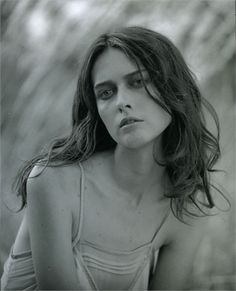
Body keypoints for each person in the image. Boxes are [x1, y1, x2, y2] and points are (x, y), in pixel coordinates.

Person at [1, 26, 223, 290]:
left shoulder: (185, 210)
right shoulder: (54, 181)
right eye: (106, 93)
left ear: (173, 87)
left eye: (138, 82)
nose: (121, 101)